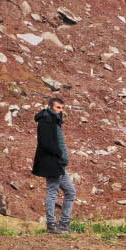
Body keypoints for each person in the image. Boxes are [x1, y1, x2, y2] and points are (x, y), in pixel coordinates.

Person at [31, 96, 75, 233]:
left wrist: (62, 157)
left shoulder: (56, 120)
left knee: (70, 191)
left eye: (62, 108)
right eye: (58, 107)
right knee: (52, 192)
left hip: (59, 163)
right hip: (52, 163)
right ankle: (51, 225)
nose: (60, 110)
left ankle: (64, 224)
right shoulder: (45, 120)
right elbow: (44, 143)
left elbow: (59, 141)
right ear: (50, 106)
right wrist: (58, 154)